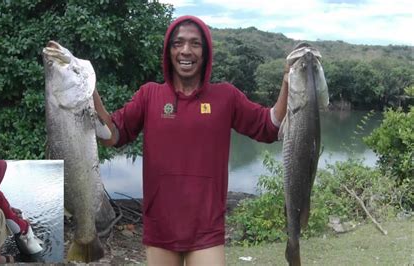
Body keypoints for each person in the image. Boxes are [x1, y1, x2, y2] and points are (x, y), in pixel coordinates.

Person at [94, 15, 288, 265]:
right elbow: (111, 136)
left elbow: (269, 126)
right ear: (169, 51)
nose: (186, 50)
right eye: (178, 43)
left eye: (195, 44)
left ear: (206, 52)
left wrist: (288, 82)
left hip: (206, 228)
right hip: (160, 226)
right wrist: (89, 92)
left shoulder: (226, 97)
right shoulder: (149, 95)